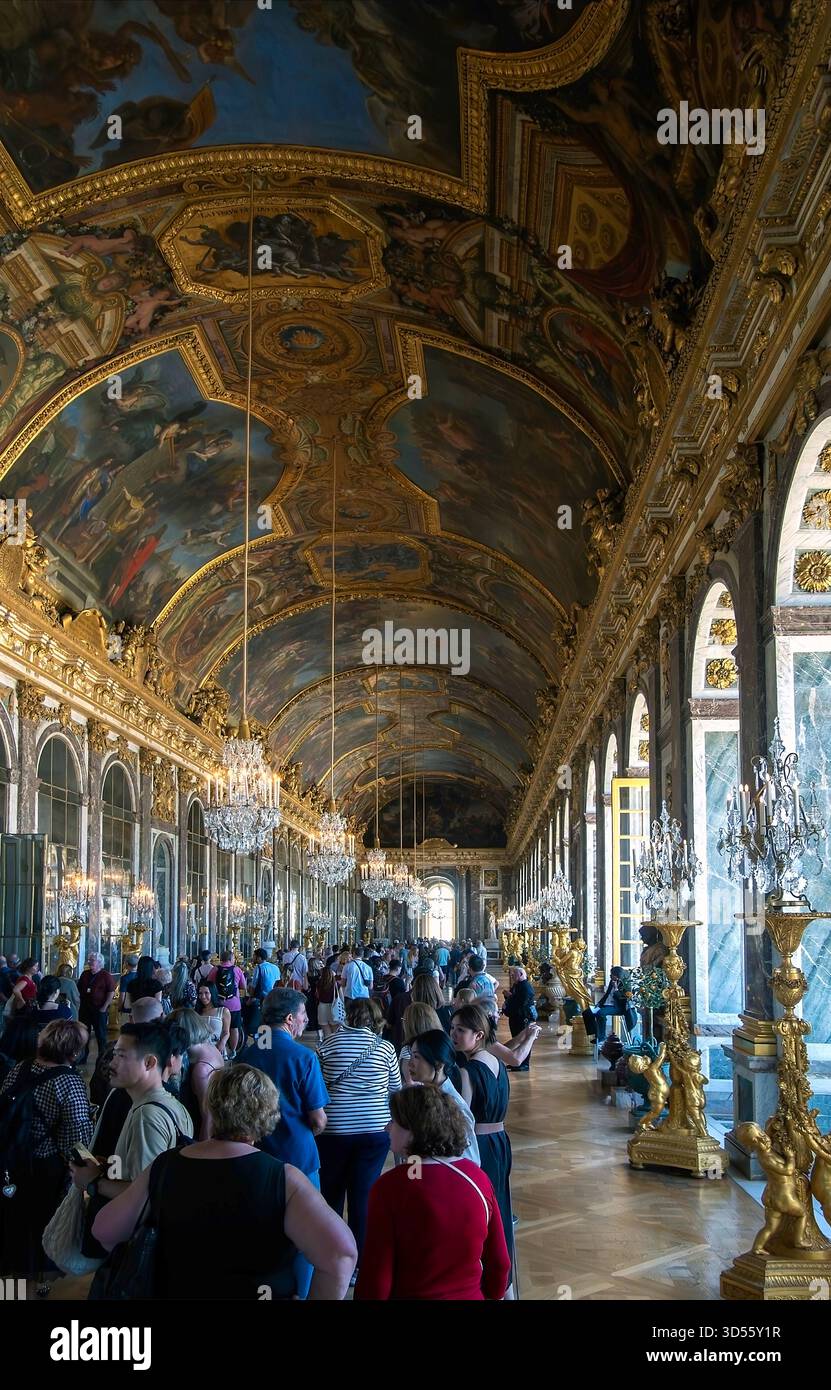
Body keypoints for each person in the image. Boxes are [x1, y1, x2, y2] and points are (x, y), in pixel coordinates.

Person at [92, 1065, 357, 1300]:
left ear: (211, 1106)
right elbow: (341, 1254)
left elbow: (104, 1231)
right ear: (268, 1115)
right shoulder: (283, 1179)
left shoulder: (166, 1165)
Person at [356, 1085, 509, 1301]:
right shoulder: (478, 1177)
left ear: (414, 1130)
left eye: (394, 1122)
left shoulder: (389, 1187)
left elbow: (376, 1277)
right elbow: (500, 1263)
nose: (386, 1128)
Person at [236, 988, 329, 1299]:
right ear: (290, 1019)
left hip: (254, 1155)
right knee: (306, 1232)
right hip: (298, 1155)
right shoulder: (303, 1057)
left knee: (260, 1230)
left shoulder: (248, 1055)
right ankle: (300, 1292)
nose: (306, 1020)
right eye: (303, 1015)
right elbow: (317, 1118)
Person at [451, 1003, 541, 1288]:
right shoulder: (497, 1063)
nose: (453, 1034)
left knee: (478, 1210)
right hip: (500, 1141)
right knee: (499, 1204)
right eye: (452, 1029)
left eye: (460, 1030)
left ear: (478, 1035)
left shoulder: (468, 1071)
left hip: (478, 1144)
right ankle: (503, 1276)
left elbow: (462, 1118)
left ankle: (481, 1275)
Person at [0, 1019, 92, 1289]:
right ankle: (41, 1283)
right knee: (44, 1225)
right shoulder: (69, 1082)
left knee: (14, 1225)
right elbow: (75, 1138)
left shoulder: (21, 1068)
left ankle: (11, 1290)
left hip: (12, 1159)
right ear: (74, 1052)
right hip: (46, 1167)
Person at [69, 1021, 193, 1213]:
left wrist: (94, 1182)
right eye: (114, 1054)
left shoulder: (148, 1116)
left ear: (149, 1063)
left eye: (121, 1056)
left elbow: (145, 1195)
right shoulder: (172, 1104)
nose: (112, 1063)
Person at [316, 997, 402, 1268]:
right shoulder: (386, 1048)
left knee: (331, 1194)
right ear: (376, 1019)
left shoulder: (326, 1045)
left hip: (334, 1130)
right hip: (374, 1131)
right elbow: (395, 1089)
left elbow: (316, 1089)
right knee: (363, 1196)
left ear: (347, 1016)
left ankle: (332, 1257)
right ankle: (360, 1262)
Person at [408, 1029, 479, 1165]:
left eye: (417, 1057)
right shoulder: (423, 1096)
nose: (410, 1063)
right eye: (411, 1056)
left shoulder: (454, 1107)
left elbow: (470, 1160)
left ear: (439, 1064)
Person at [78, 953, 116, 1063]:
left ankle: (102, 1057)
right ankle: (83, 1056)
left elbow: (111, 992)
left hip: (99, 1009)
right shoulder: (85, 974)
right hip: (85, 1008)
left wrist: (104, 1007)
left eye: (92, 960)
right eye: (89, 959)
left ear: (99, 962)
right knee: (84, 1033)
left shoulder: (105, 975)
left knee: (101, 1034)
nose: (89, 962)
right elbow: (80, 988)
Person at [209, 951, 246, 1054]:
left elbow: (209, 985)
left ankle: (220, 1050)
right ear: (231, 959)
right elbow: (243, 986)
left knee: (220, 1028)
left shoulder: (215, 969)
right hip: (234, 1004)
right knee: (234, 1028)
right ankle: (233, 1051)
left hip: (218, 1003)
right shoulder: (237, 969)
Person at [502, 967, 538, 1072]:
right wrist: (509, 997)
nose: (512, 976)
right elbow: (515, 999)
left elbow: (521, 1003)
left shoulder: (526, 987)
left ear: (521, 974)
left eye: (514, 974)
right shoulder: (517, 985)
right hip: (516, 1017)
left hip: (523, 1018)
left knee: (524, 1040)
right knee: (516, 1039)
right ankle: (517, 1062)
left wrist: (510, 998)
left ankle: (524, 1064)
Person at [399, 1003, 442, 1084]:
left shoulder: (409, 1050)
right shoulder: (439, 1047)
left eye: (404, 1019)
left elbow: (411, 1084)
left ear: (410, 1025)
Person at [246, 948, 280, 1041]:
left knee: (262, 1020)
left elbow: (254, 985)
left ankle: (262, 1041)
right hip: (275, 997)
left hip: (263, 998)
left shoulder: (259, 967)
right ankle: (271, 1039)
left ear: (259, 958)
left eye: (254, 956)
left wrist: (250, 998)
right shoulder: (275, 967)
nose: (253, 958)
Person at [196, 981, 231, 1055]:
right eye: (200, 993)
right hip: (199, 1050)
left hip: (217, 1048)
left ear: (212, 993)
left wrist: (223, 1042)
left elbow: (226, 1032)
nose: (203, 996)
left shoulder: (223, 1011)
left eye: (206, 993)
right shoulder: (196, 1012)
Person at [315, 957, 340, 1037]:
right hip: (334, 1007)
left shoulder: (319, 983)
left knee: (326, 1031)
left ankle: (328, 1044)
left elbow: (317, 996)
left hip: (322, 1006)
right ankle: (335, 1045)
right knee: (335, 1030)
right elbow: (341, 997)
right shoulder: (336, 984)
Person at [117, 954, 139, 1021]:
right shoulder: (140, 975)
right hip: (139, 1007)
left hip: (128, 1008)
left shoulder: (125, 978)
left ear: (126, 963)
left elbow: (122, 995)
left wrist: (120, 1007)